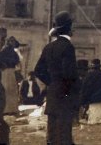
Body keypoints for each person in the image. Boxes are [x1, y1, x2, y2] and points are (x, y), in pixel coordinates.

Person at [34, 11, 80, 145]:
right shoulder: (68, 47)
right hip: (65, 97)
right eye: (72, 25)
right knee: (64, 136)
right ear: (69, 28)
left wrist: (52, 83)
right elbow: (69, 75)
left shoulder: (49, 47)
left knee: (52, 135)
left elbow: (38, 70)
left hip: (53, 95)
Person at [0, 37, 21, 115]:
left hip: (11, 72)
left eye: (13, 42)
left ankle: (11, 109)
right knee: (7, 90)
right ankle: (6, 109)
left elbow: (17, 60)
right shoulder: (5, 50)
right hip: (5, 72)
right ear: (8, 42)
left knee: (11, 90)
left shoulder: (13, 51)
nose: (13, 43)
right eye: (11, 42)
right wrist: (1, 65)